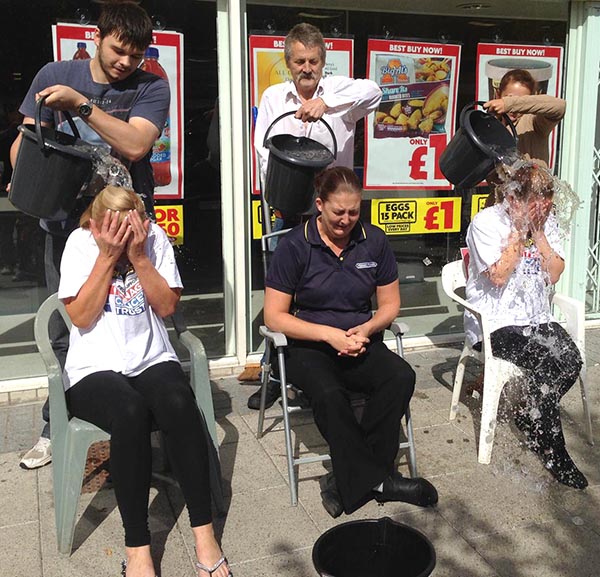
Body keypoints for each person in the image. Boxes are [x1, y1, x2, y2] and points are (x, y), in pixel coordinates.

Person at [13, 1, 170, 469]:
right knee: (66, 326)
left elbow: (138, 144)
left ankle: (145, 412)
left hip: (127, 225)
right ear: (97, 37)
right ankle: (54, 424)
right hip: (65, 225)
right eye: (119, 50)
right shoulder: (54, 72)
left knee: (138, 314)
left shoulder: (151, 87)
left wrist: (81, 106)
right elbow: (27, 137)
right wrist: (20, 165)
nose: (126, 62)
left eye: (135, 55)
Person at [58, 186, 232, 577]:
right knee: (130, 412)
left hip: (150, 356)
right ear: (97, 223)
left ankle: (204, 534)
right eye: (113, 229)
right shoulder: (80, 244)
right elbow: (82, 318)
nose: (123, 236)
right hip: (93, 367)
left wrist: (137, 257)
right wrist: (106, 258)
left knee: (178, 403)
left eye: (131, 227)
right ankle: (137, 546)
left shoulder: (153, 239)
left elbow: (168, 306)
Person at [263, 166, 438, 517]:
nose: (346, 220)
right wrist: (329, 335)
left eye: (354, 211)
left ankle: (348, 482)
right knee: (328, 394)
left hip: (360, 339)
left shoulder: (373, 240)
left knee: (400, 376)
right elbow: (275, 317)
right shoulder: (295, 246)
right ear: (319, 205)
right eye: (338, 212)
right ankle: (380, 480)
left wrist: (367, 329)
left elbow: (390, 305)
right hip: (310, 345)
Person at [248, 22, 382, 409]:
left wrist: (328, 105)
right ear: (287, 62)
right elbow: (262, 149)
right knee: (284, 296)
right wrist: (272, 194)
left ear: (324, 61)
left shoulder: (341, 91)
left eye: (313, 61)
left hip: (336, 208)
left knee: (339, 287)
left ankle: (341, 365)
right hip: (291, 204)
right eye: (299, 61)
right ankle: (274, 372)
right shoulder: (275, 96)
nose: (306, 68)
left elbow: (374, 92)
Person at [465, 161, 586, 489]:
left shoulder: (547, 222)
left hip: (536, 319)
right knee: (549, 366)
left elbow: (556, 272)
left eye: (547, 199)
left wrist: (540, 234)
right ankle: (554, 451)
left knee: (571, 361)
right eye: (536, 200)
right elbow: (499, 275)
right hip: (496, 324)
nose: (544, 206)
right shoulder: (486, 223)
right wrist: (519, 232)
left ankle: (531, 412)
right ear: (515, 198)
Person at [483, 68, 566, 206]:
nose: (515, 109)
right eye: (509, 97)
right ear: (498, 95)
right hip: (500, 209)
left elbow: (560, 106)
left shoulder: (535, 123)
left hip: (534, 209)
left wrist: (509, 103)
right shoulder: (491, 126)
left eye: (522, 101)